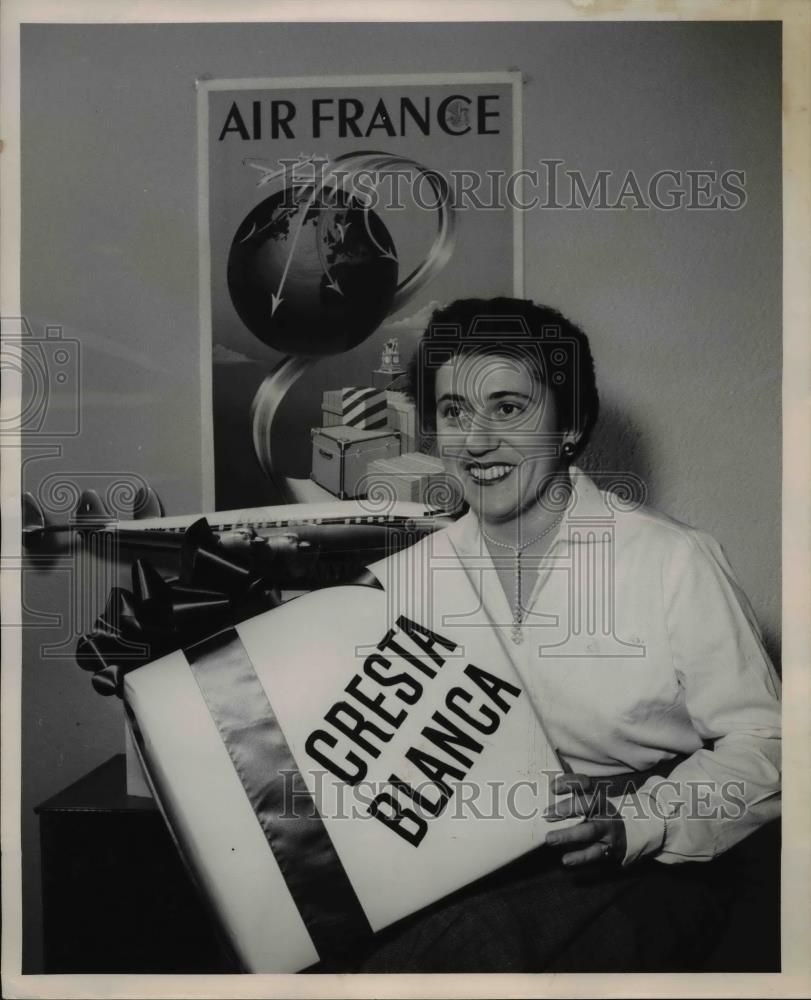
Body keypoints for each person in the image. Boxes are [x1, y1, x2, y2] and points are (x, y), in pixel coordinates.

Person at [340, 297, 781, 972]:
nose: (476, 441)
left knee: (449, 959)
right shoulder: (401, 579)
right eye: (453, 412)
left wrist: (637, 821)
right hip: (452, 865)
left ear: (570, 424)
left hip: (642, 864)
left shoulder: (670, 559)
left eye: (509, 409)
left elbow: (768, 746)